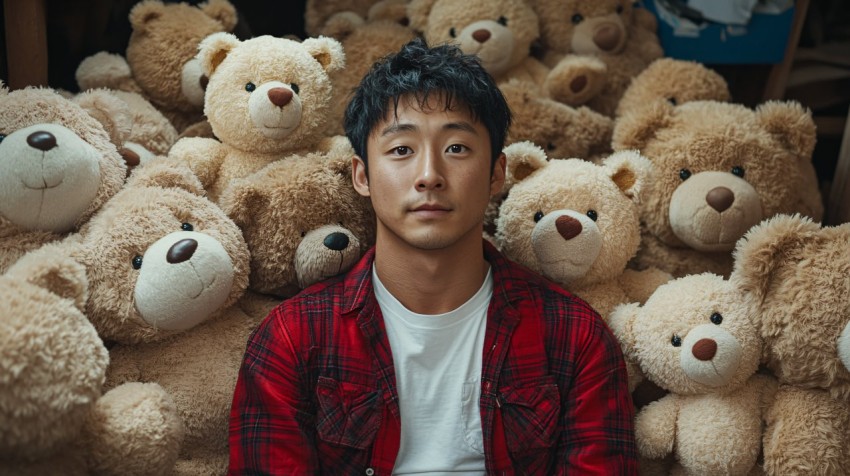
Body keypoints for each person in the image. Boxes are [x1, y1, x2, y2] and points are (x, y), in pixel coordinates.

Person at [228, 37, 637, 475]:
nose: (429, 176)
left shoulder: (574, 337)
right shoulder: (293, 338)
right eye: (401, 150)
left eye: (456, 148)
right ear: (362, 176)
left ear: (497, 173)